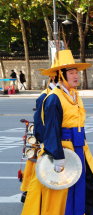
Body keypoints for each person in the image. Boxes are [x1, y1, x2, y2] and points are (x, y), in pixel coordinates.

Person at [20, 50, 93, 215]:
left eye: (77, 72)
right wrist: (57, 156)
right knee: (55, 191)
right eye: (72, 73)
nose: (76, 76)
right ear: (61, 75)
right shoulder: (53, 98)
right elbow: (50, 130)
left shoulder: (74, 95)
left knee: (91, 185)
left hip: (80, 149)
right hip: (62, 150)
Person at [20, 66, 57, 203]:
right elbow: (40, 120)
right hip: (46, 138)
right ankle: (29, 191)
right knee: (39, 166)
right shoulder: (45, 95)